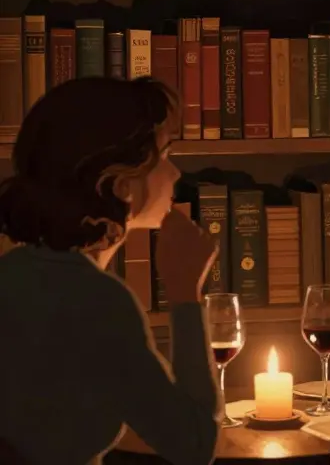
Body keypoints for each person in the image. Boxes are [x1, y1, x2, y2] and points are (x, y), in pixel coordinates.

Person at [0, 77, 220, 465]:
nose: (176, 175)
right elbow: (194, 444)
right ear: (120, 182)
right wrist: (186, 292)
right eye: (165, 155)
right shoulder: (99, 302)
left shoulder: (12, 273)